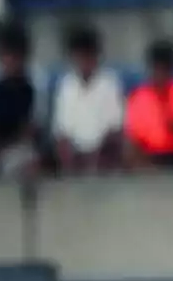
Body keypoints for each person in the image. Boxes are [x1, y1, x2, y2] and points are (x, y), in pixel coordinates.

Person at [52, 25, 124, 173]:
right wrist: (70, 158)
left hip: (103, 154)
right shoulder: (66, 85)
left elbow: (115, 128)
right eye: (80, 56)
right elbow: (61, 132)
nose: (84, 61)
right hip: (75, 155)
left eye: (88, 55)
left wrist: (96, 156)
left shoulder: (110, 83)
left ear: (97, 56)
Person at [0, 24, 37, 177]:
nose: (9, 61)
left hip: (20, 148)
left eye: (14, 56)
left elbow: (29, 132)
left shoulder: (30, 89)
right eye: (6, 55)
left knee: (23, 161)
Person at [124, 40, 173, 167]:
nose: (162, 73)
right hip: (148, 160)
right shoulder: (139, 97)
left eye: (166, 68)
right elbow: (133, 139)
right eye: (158, 67)